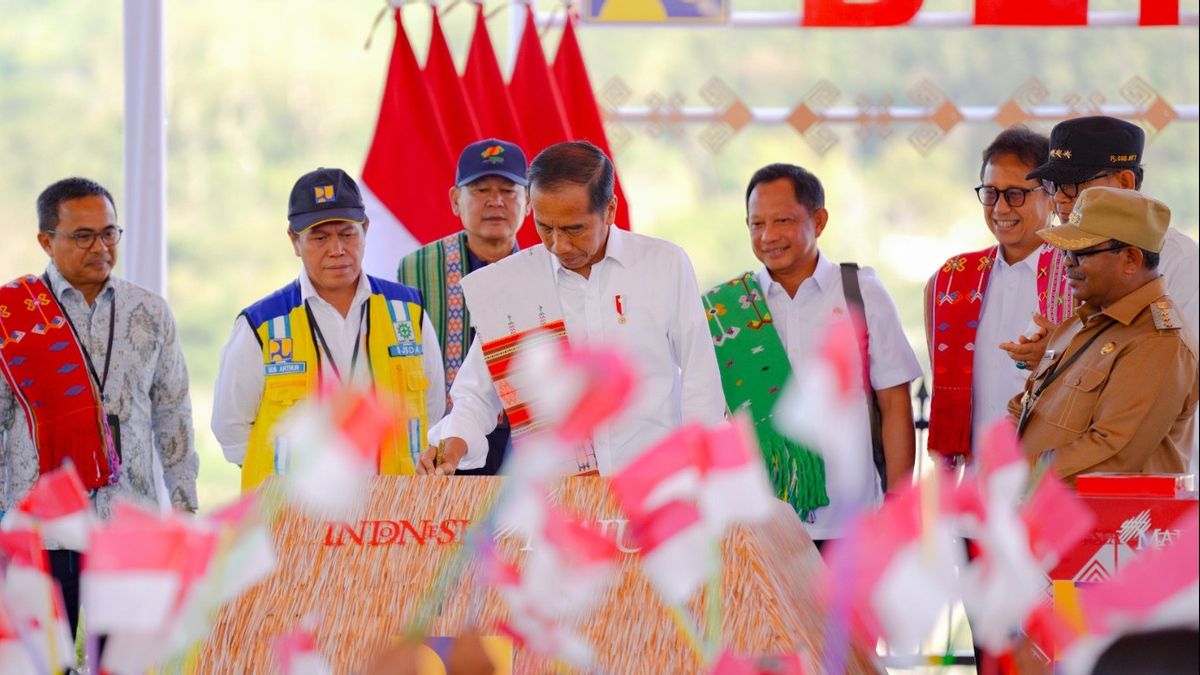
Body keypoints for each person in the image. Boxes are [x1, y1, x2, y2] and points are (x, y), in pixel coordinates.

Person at [419, 141, 725, 476]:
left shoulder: (662, 264)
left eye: (574, 229)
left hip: (655, 486)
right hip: (559, 499)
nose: (558, 245)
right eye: (545, 228)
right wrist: (450, 448)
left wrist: (701, 474)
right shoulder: (515, 284)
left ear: (609, 210)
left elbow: (701, 380)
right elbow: (475, 395)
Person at [0, 177, 199, 637]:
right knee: (41, 663)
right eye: (83, 236)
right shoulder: (13, 315)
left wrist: (185, 506)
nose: (101, 247)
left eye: (109, 233)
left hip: (129, 522)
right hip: (40, 530)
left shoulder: (149, 311)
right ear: (46, 241)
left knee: (127, 663)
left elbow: (173, 411)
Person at [708, 163, 920, 547]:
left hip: (854, 525)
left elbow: (894, 405)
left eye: (782, 221)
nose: (768, 236)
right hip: (759, 529)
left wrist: (898, 507)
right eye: (756, 225)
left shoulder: (861, 294)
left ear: (819, 220)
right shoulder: (727, 311)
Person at [211, 168, 445, 490]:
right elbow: (231, 428)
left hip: (395, 512)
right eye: (320, 237)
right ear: (294, 240)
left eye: (347, 234)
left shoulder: (408, 312)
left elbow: (432, 412)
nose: (336, 249)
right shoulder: (262, 325)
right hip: (297, 518)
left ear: (365, 229)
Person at [1009, 187, 1198, 484]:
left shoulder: (1159, 341)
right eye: (1065, 251)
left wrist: (1015, 475)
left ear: (1131, 259)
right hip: (1040, 514)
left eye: (1081, 252)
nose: (1067, 261)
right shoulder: (1083, 320)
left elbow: (1111, 455)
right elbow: (1028, 405)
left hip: (1106, 526)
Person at [924, 126, 1060, 462]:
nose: (1000, 208)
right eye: (990, 193)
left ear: (1051, 194)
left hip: (1055, 480)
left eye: (1016, 194)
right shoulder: (951, 282)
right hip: (975, 484)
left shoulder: (1078, 277)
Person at [397, 139, 530, 475]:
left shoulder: (540, 269)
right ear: (456, 200)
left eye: (509, 190)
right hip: (444, 442)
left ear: (529, 202)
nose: (496, 201)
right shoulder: (418, 268)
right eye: (481, 190)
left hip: (523, 439)